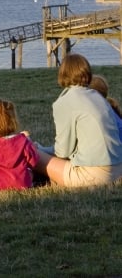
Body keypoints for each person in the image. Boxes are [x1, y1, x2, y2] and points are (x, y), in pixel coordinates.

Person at [34, 53, 122, 187]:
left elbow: (63, 152)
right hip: (118, 170)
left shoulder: (64, 102)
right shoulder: (98, 97)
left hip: (94, 175)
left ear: (62, 73)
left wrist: (38, 148)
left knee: (32, 154)